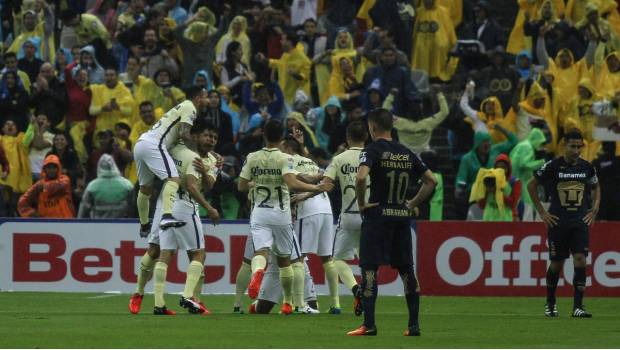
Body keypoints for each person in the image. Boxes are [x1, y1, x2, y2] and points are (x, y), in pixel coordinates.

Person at [348, 108, 437, 336]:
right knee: (407, 270)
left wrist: (361, 203)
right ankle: (414, 325)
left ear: (373, 127)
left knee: (369, 268)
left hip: (377, 215)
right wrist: (411, 202)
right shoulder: (406, 152)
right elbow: (431, 180)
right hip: (400, 217)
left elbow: (360, 177)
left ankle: (369, 324)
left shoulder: (372, 149)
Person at [237, 119, 333, 315]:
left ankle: (257, 273)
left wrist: (256, 184)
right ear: (281, 137)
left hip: (260, 213)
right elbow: (292, 182)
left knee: (260, 253)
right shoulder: (284, 158)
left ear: (263, 134)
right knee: (286, 260)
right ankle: (288, 302)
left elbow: (241, 185)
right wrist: (317, 187)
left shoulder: (252, 157)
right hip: (281, 214)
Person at [129, 120, 221, 314]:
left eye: (214, 137)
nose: (211, 140)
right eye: (207, 135)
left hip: (165, 204)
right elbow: (191, 186)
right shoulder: (179, 150)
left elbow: (211, 184)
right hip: (184, 205)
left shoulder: (211, 160)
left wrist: (205, 170)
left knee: (163, 252)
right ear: (195, 136)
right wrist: (210, 208)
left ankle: (159, 303)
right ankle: (188, 297)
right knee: (196, 253)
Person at [528, 130, 600, 318]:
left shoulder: (587, 167)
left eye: (579, 147)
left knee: (580, 260)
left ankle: (578, 307)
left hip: (579, 221)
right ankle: (550, 304)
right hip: (558, 221)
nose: (576, 150)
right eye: (572, 146)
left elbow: (596, 186)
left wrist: (594, 210)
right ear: (564, 145)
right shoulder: (552, 166)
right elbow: (531, 185)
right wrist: (543, 213)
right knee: (556, 265)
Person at [133, 86, 206, 235]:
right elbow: (184, 133)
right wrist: (198, 153)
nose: (208, 100)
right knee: (174, 179)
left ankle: (144, 225)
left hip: (141, 143)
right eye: (206, 97)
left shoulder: (180, 107)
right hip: (154, 144)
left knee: (145, 189)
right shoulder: (190, 107)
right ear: (198, 98)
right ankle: (166, 216)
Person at [280, 135, 339, 313]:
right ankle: (335, 304)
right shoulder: (310, 161)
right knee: (327, 258)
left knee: (298, 257)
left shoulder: (288, 160)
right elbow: (317, 177)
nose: (281, 151)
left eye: (283, 147)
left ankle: (295, 303)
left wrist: (302, 195)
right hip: (326, 209)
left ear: (289, 149)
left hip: (308, 209)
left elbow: (303, 179)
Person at [322, 121, 367, 315]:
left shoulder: (339, 159)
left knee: (338, 259)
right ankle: (367, 295)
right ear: (366, 137)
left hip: (348, 216)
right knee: (367, 261)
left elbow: (326, 182)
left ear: (348, 138)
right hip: (369, 215)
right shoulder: (373, 156)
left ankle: (356, 289)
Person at [78, 154, 134, 218]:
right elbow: (131, 210)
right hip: (122, 226)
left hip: (97, 226)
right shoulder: (127, 185)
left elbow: (82, 212)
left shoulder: (91, 186)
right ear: (114, 166)